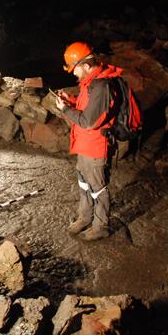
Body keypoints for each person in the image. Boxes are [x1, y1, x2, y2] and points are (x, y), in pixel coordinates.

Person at [55, 41, 123, 241]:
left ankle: (101, 225)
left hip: (95, 147)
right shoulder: (90, 82)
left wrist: (65, 110)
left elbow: (89, 121)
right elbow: (88, 109)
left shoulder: (102, 86)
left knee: (97, 187)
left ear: (86, 65)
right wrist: (72, 101)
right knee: (83, 183)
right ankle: (85, 217)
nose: (73, 74)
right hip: (84, 144)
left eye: (75, 69)